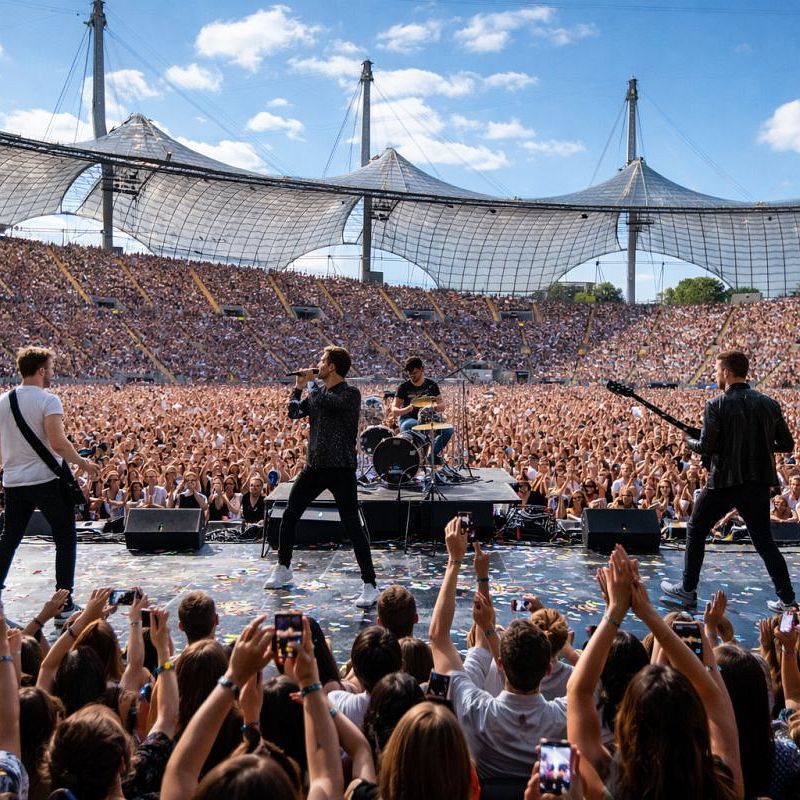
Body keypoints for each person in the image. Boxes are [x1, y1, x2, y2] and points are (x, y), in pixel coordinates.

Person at [662, 351, 797, 612]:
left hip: (724, 482)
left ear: (726, 372)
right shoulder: (769, 404)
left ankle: (688, 590)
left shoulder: (717, 404)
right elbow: (786, 443)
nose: (715, 375)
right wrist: (757, 443)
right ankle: (788, 601)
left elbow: (706, 446)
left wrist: (687, 440)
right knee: (764, 542)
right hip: (757, 483)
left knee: (696, 528)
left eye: (716, 371)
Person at [263, 346, 378, 608]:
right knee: (290, 515)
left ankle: (370, 584)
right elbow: (294, 413)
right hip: (314, 467)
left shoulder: (350, 394)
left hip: (340, 469)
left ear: (332, 367)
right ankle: (284, 567)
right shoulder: (319, 393)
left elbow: (329, 403)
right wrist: (297, 388)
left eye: (322, 361)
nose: (318, 365)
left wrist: (311, 383)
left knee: (352, 526)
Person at [0, 346, 98, 618]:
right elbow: (58, 443)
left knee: (9, 539)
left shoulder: (3, 401)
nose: (53, 373)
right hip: (47, 481)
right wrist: (83, 464)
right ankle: (64, 603)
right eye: (51, 368)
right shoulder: (48, 400)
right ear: (41, 370)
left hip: (14, 482)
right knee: (65, 538)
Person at [391, 356, 452, 464]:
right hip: (408, 419)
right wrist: (407, 409)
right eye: (409, 374)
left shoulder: (431, 385)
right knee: (415, 425)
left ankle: (432, 455)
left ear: (422, 369)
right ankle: (416, 459)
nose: (412, 376)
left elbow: (442, 405)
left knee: (448, 430)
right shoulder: (403, 387)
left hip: (428, 418)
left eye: (414, 373)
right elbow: (394, 410)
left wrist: (432, 407)